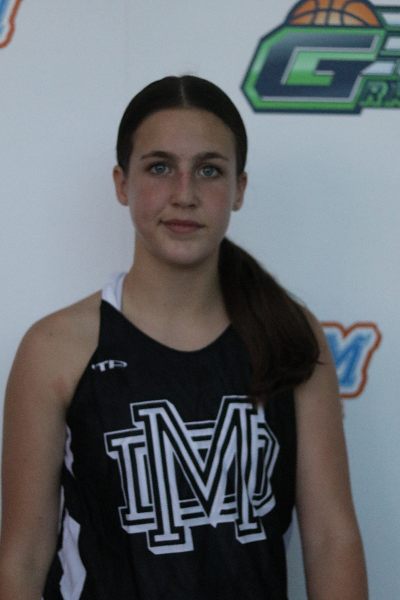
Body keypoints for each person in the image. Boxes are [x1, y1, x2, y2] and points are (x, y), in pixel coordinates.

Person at [0, 75, 368, 600]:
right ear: (122, 183)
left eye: (209, 170)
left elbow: (331, 540)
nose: (184, 194)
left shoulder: (287, 333)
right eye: (159, 167)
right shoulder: (56, 348)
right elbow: (22, 559)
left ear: (239, 189)